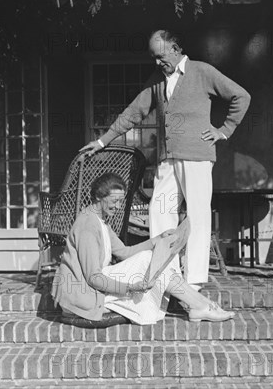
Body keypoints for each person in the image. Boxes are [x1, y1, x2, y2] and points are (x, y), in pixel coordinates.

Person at [81, 29, 251, 289]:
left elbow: (241, 96)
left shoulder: (202, 72)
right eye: (154, 57)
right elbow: (133, 113)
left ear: (175, 48)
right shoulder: (157, 80)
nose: (157, 62)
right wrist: (104, 140)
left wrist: (224, 130)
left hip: (196, 156)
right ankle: (165, 276)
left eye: (160, 56)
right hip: (167, 158)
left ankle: (193, 282)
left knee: (196, 216)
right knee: (159, 211)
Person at [51, 172, 235, 325]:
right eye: (114, 201)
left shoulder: (100, 221)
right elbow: (93, 278)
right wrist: (130, 288)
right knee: (148, 259)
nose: (118, 206)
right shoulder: (88, 226)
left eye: (120, 201)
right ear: (99, 197)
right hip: (85, 294)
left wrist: (157, 240)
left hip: (97, 284)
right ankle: (200, 305)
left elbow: (124, 252)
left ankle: (200, 305)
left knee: (156, 257)